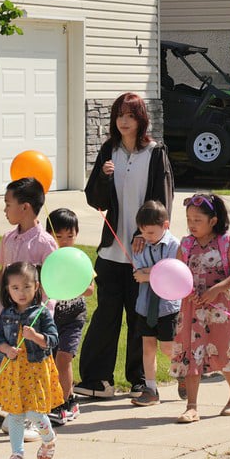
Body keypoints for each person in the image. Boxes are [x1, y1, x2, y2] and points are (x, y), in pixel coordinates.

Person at [80, 92, 174, 400]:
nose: (124, 120)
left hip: (142, 252)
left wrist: (145, 233)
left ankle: (138, 379)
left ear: (141, 120)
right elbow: (94, 199)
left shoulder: (155, 152)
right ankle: (97, 380)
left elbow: (162, 200)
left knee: (139, 317)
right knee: (106, 315)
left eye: (130, 115)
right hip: (111, 251)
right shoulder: (110, 150)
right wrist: (104, 178)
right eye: (119, 114)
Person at [170, 193, 230, 423]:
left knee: (222, 352)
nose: (192, 225)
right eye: (189, 219)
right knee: (192, 355)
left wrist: (215, 290)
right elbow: (176, 273)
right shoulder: (185, 244)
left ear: (213, 220)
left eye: (197, 220)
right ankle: (191, 407)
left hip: (219, 307)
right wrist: (186, 290)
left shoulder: (226, 241)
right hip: (192, 308)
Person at [0, 261, 62, 459]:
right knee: (15, 413)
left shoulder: (41, 313)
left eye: (26, 287)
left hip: (35, 369)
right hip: (14, 369)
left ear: (36, 287)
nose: (21, 292)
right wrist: (6, 349)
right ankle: (17, 453)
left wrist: (36, 337)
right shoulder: (6, 314)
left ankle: (49, 440)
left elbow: (53, 339)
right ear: (7, 289)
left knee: (34, 412)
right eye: (15, 288)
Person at [128, 201, 181, 406]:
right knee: (148, 346)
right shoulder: (140, 244)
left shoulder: (174, 245)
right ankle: (150, 389)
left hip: (167, 305)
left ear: (165, 225)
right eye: (142, 231)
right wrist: (151, 273)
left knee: (168, 347)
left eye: (150, 232)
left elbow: (170, 270)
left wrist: (149, 274)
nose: (146, 236)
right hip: (145, 304)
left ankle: (182, 371)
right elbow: (138, 271)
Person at [44, 207, 85, 424]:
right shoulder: (48, 259)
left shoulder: (78, 259)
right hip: (51, 317)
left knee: (64, 357)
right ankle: (53, 399)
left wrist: (71, 285)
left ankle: (67, 401)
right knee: (50, 360)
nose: (65, 240)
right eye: (58, 236)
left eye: (70, 235)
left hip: (74, 316)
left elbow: (90, 289)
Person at [0, 177, 57, 273]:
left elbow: (52, 279)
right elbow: (2, 271)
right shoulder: (7, 239)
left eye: (8, 205)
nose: (5, 210)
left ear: (24, 207)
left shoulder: (46, 244)